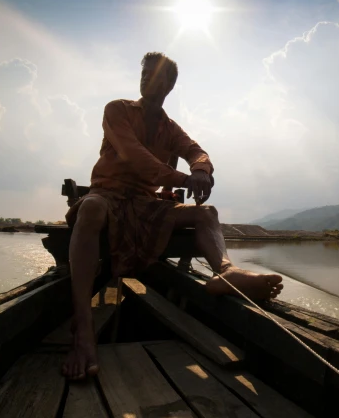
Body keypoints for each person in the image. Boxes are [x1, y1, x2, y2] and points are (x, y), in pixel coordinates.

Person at [61, 52, 284, 380]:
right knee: (91, 208)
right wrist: (183, 179)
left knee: (207, 212)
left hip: (146, 204)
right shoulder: (117, 110)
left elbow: (198, 151)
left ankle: (225, 271)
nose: (145, 78)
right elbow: (136, 157)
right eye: (144, 73)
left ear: (168, 85)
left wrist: (202, 170)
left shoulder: (170, 128)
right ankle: (83, 328)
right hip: (108, 196)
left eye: (154, 75)